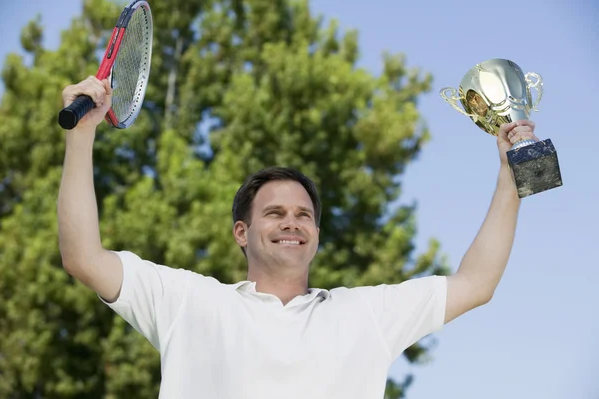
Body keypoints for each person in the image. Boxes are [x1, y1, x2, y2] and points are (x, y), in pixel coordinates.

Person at [58, 77, 538, 399]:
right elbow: (83, 257)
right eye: (275, 213)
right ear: (241, 233)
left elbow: (477, 283)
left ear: (316, 234)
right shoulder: (187, 301)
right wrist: (80, 137)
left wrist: (511, 176)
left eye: (303, 215)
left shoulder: (366, 314)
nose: (292, 223)